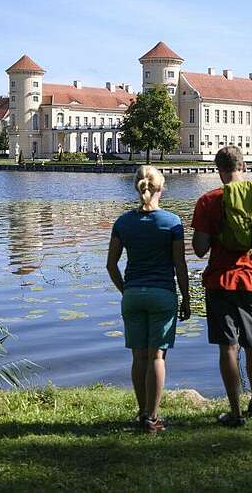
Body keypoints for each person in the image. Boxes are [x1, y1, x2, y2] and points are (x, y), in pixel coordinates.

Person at [192, 146, 252, 427]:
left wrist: (219, 235)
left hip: (220, 282)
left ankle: (235, 412)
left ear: (218, 170)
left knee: (227, 347)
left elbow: (198, 249)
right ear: (244, 167)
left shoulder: (209, 201)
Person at [106, 165, 192, 433]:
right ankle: (151, 418)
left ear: (137, 187)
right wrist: (186, 298)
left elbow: (111, 265)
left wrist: (126, 290)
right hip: (162, 294)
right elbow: (180, 265)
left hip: (133, 294)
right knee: (157, 357)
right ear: (161, 188)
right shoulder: (172, 222)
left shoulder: (122, 222)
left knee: (138, 357)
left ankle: (142, 412)